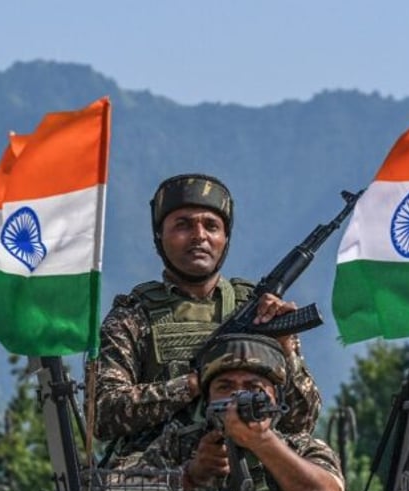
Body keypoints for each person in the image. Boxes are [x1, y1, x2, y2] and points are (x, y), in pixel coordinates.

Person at [92, 173, 321, 466]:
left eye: (211, 226)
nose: (199, 235)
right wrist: (194, 384)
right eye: (183, 225)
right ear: (159, 237)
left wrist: (286, 349)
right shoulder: (133, 317)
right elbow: (103, 415)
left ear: (225, 239)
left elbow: (302, 423)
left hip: (252, 468)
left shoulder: (260, 312)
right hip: (161, 477)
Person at [136, 333, 344, 491]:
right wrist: (191, 475)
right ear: (207, 399)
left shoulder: (302, 447)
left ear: (275, 399)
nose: (237, 398)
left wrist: (262, 441)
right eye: (225, 387)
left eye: (254, 387)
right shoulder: (178, 443)